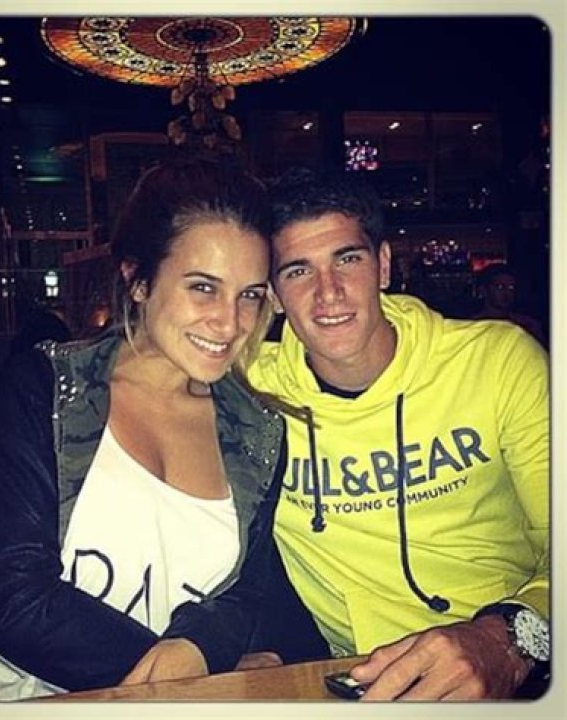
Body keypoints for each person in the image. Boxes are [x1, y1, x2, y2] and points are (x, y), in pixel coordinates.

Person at [0, 156, 286, 700]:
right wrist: (184, 675)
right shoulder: (44, 391)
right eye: (204, 287)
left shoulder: (258, 432)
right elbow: (14, 600)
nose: (230, 322)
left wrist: (203, 648)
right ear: (138, 279)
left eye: (249, 294)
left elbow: (244, 593)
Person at [248, 167, 550, 700]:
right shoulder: (250, 388)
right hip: (351, 681)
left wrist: (505, 641)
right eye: (298, 271)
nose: (328, 293)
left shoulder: (498, 363)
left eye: (347, 259)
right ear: (273, 295)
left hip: (516, 673)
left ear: (383, 265)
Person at [471, 262, 546, 345]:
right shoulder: (473, 326)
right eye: (500, 287)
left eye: (511, 287)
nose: (506, 293)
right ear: (484, 290)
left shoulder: (528, 325)